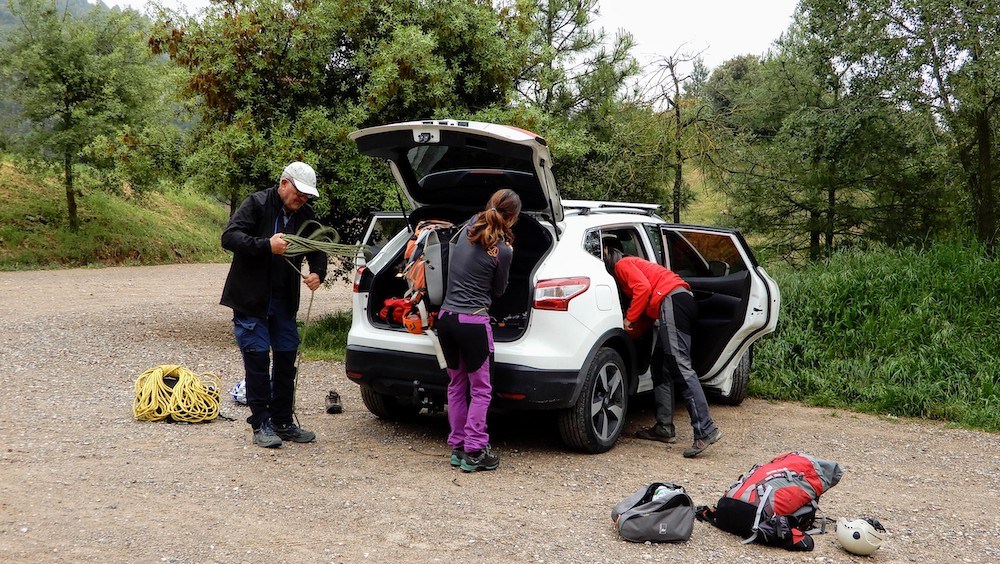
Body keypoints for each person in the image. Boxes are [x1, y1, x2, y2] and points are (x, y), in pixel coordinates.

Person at [220, 161, 329, 448]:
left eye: (307, 195)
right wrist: (266, 245)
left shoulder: (305, 214)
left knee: (286, 359)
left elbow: (318, 247)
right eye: (299, 192)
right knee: (257, 359)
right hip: (251, 299)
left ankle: (283, 421)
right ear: (284, 183)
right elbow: (229, 237)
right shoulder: (255, 203)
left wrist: (318, 272)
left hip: (283, 301)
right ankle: (261, 423)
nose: (302, 199)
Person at [604, 247, 722, 458]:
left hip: (672, 301)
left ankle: (706, 429)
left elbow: (642, 288)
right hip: (677, 302)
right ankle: (664, 428)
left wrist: (629, 318)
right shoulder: (636, 267)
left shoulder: (622, 264)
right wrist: (626, 332)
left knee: (680, 366)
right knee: (660, 366)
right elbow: (647, 314)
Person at [436, 188, 521, 472]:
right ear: (513, 218)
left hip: (446, 319)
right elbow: (498, 290)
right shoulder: (504, 250)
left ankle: (458, 447)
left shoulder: (468, 226)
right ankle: (475, 450)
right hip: (473, 321)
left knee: (456, 384)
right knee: (482, 389)